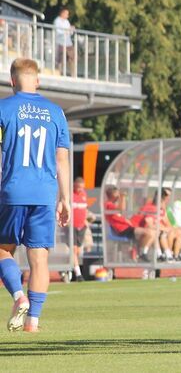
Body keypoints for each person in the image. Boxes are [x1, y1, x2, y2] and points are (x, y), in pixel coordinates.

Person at [0, 58, 71, 332]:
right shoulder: (56, 113)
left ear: (12, 81)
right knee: (39, 258)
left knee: (3, 249)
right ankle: (33, 322)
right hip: (45, 193)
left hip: (13, 190)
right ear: (38, 81)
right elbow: (62, 159)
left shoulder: (4, 109)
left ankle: (19, 296)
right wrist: (64, 198)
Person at [103, 185, 155, 260]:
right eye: (117, 194)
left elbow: (121, 212)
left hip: (128, 227)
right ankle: (141, 253)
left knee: (153, 233)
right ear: (112, 195)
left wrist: (128, 220)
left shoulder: (113, 205)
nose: (118, 196)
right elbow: (121, 209)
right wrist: (122, 197)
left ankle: (143, 252)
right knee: (149, 232)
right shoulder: (108, 205)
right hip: (122, 230)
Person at [71, 176, 90, 281]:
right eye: (78, 187)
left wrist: (85, 220)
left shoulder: (84, 195)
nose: (80, 190)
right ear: (74, 186)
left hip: (81, 227)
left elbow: (84, 209)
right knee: (74, 250)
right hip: (72, 227)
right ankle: (78, 274)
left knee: (78, 251)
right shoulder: (70, 195)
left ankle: (74, 267)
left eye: (82, 188)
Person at [53, 8, 76, 76]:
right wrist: (66, 31)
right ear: (62, 13)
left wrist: (71, 29)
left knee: (72, 58)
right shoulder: (57, 21)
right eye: (66, 14)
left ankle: (73, 74)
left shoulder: (67, 21)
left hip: (68, 43)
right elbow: (58, 32)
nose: (67, 16)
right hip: (61, 42)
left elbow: (70, 32)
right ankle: (58, 73)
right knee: (60, 59)